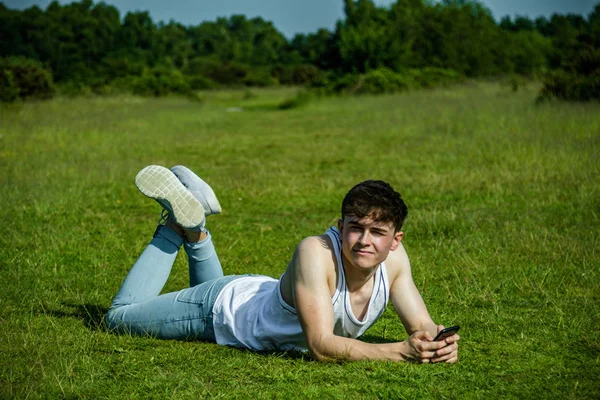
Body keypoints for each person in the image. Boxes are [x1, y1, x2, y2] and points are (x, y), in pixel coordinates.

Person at [106, 165, 460, 363]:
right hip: (217, 311)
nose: (365, 240)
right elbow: (321, 345)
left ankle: (195, 227)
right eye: (356, 228)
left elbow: (422, 324)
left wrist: (436, 341)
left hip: (248, 292)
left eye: (378, 232)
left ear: (396, 239)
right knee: (118, 317)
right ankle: (174, 227)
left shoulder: (395, 261)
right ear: (341, 227)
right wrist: (398, 352)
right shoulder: (315, 251)